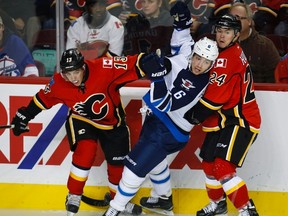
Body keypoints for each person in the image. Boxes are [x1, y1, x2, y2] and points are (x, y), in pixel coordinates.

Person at [10, 46, 173, 215]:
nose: (72, 78)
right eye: (68, 73)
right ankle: (74, 194)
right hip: (82, 120)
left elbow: (132, 63)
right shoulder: (59, 82)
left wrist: (147, 60)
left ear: (83, 67)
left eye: (75, 72)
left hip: (112, 124)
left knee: (117, 165)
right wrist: (24, 116)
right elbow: (41, 100)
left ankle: (118, 200)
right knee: (85, 151)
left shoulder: (104, 68)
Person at [102, 2, 219, 216]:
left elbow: (165, 103)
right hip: (158, 122)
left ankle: (115, 210)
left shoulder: (198, 84)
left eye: (206, 62)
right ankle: (164, 201)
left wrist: (157, 77)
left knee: (133, 170)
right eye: (198, 57)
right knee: (156, 165)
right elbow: (182, 41)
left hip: (169, 132)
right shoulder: (188, 54)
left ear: (212, 65)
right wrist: (182, 22)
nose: (199, 64)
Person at [184, 13, 261, 216]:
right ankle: (218, 205)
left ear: (236, 34)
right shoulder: (225, 51)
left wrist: (188, 116)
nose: (221, 35)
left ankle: (246, 210)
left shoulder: (228, 60)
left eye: (227, 32)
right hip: (224, 120)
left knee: (221, 167)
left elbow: (213, 101)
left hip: (241, 120)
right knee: (208, 165)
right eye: (219, 30)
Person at [229, 2, 281, 83]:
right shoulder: (219, 44)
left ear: (249, 21)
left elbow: (275, 77)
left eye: (238, 18)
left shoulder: (265, 45)